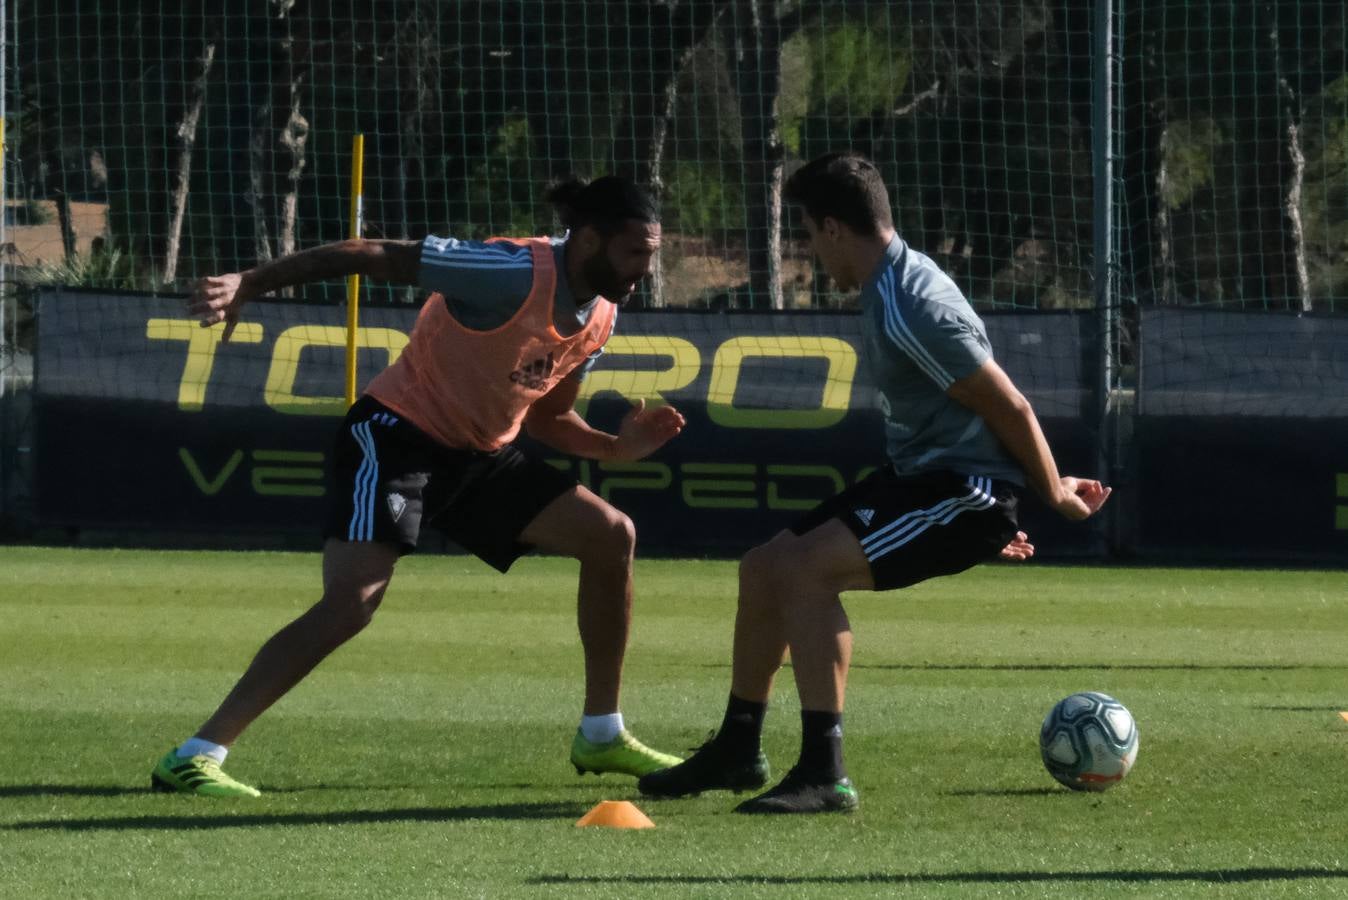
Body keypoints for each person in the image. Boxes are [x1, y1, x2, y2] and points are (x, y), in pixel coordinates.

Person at [151, 175, 687, 797]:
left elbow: (547, 418)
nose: (644, 270)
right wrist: (251, 282)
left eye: (651, 256)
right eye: (636, 254)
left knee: (611, 535)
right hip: (396, 434)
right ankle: (195, 754)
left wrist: (617, 449)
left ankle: (601, 733)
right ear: (590, 238)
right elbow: (369, 254)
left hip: (480, 455)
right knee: (351, 604)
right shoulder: (510, 272)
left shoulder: (602, 316)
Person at [637, 152, 1110, 814]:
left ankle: (824, 775)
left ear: (833, 228)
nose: (807, 248)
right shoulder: (892, 284)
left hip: (960, 490)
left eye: (805, 233)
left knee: (804, 573)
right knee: (764, 567)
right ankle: (737, 750)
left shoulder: (909, 304)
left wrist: (1046, 494)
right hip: (931, 486)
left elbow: (1011, 408)